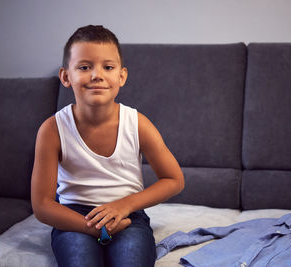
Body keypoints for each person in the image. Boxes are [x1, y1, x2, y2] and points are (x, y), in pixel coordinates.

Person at [31, 25, 184, 267]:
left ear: (121, 76)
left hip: (128, 216)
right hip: (73, 217)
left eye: (108, 67)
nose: (96, 75)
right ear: (65, 76)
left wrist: (125, 205)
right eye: (84, 67)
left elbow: (174, 179)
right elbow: (42, 206)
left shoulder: (137, 123)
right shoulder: (52, 130)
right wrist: (94, 229)